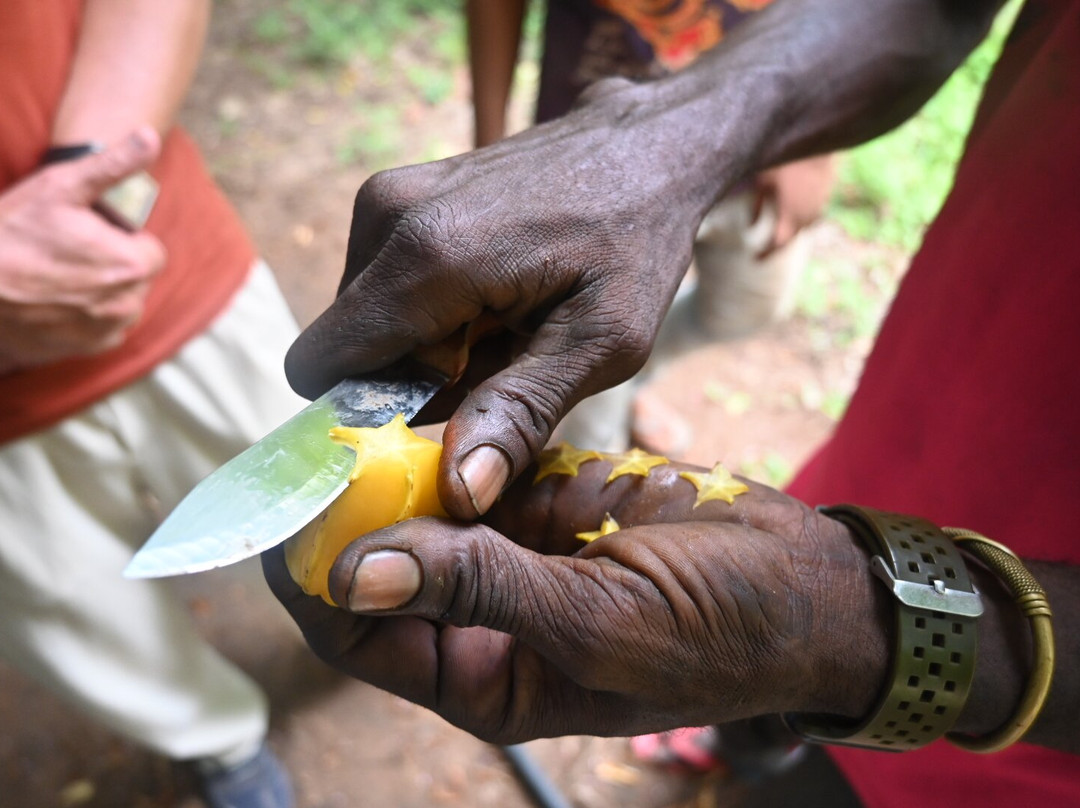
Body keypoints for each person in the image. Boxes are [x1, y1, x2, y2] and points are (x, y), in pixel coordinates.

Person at [268, 0, 1078, 804]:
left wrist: (863, 637)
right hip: (877, 485)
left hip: (1020, 762)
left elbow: (825, 634)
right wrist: (672, 130)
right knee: (764, 725)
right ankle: (746, 740)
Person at [0, 2, 303, 806]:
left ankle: (420, 620)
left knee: (337, 493)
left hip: (164, 263)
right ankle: (218, 741)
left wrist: (87, 204)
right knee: (78, 611)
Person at [467, 0, 835, 454]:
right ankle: (596, 460)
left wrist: (816, 143)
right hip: (596, 166)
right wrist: (490, 150)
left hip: (754, 156)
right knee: (589, 362)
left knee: (749, 304)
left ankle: (626, 382)